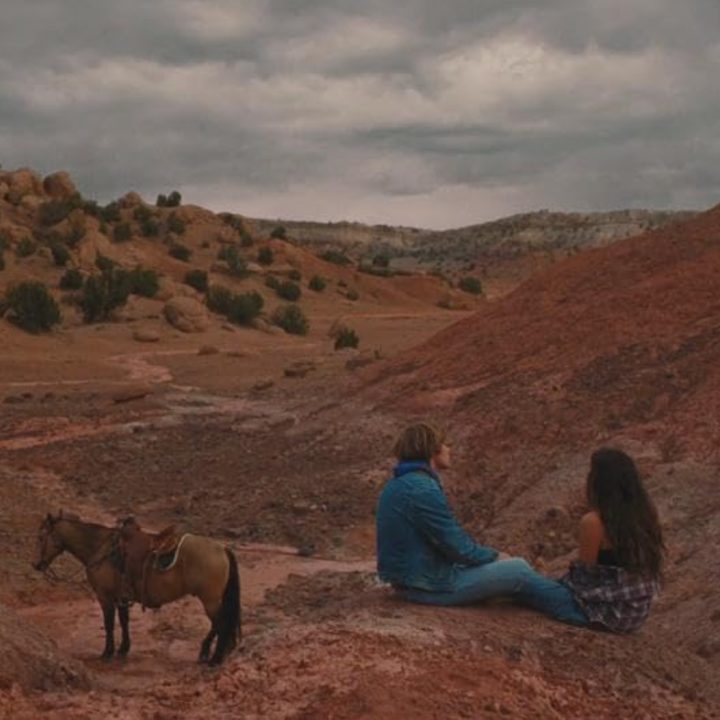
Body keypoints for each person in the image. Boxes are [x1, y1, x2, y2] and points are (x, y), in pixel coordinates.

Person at [376, 425, 663, 632]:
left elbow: (587, 580)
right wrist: (494, 557)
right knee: (517, 571)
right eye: (445, 443)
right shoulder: (421, 488)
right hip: (425, 584)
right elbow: (455, 545)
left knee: (519, 573)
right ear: (432, 449)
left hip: (421, 580)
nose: (450, 448)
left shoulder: (404, 484)